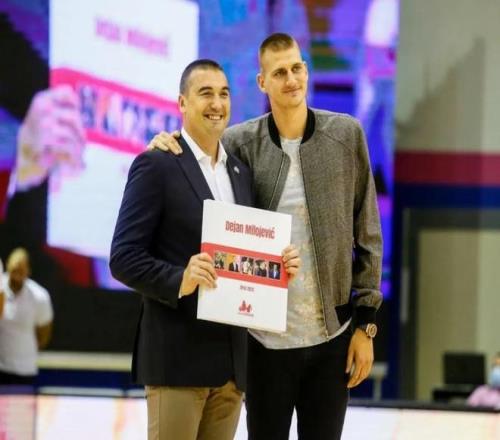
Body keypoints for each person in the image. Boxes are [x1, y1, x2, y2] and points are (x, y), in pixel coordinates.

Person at [148, 33, 383, 440]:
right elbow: (197, 150)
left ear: (306, 71)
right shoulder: (238, 143)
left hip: (332, 338)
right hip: (261, 342)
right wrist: (165, 142)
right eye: (279, 73)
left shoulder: (346, 135)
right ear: (262, 82)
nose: (291, 79)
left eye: (296, 68)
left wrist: (366, 327)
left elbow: (369, 236)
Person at [110, 59, 300, 440]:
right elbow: (123, 257)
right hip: (177, 362)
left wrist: (276, 268)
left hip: (230, 370)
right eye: (206, 93)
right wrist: (179, 278)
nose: (217, 103)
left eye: (224, 94)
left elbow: (243, 256)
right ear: (182, 103)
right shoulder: (156, 164)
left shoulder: (240, 174)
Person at [0, 248, 53, 385]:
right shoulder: (1, 289)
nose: (17, 275)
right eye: (14, 270)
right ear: (7, 266)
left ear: (28, 271)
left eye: (21, 270)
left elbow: (44, 334)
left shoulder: (40, 296)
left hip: (25, 371)